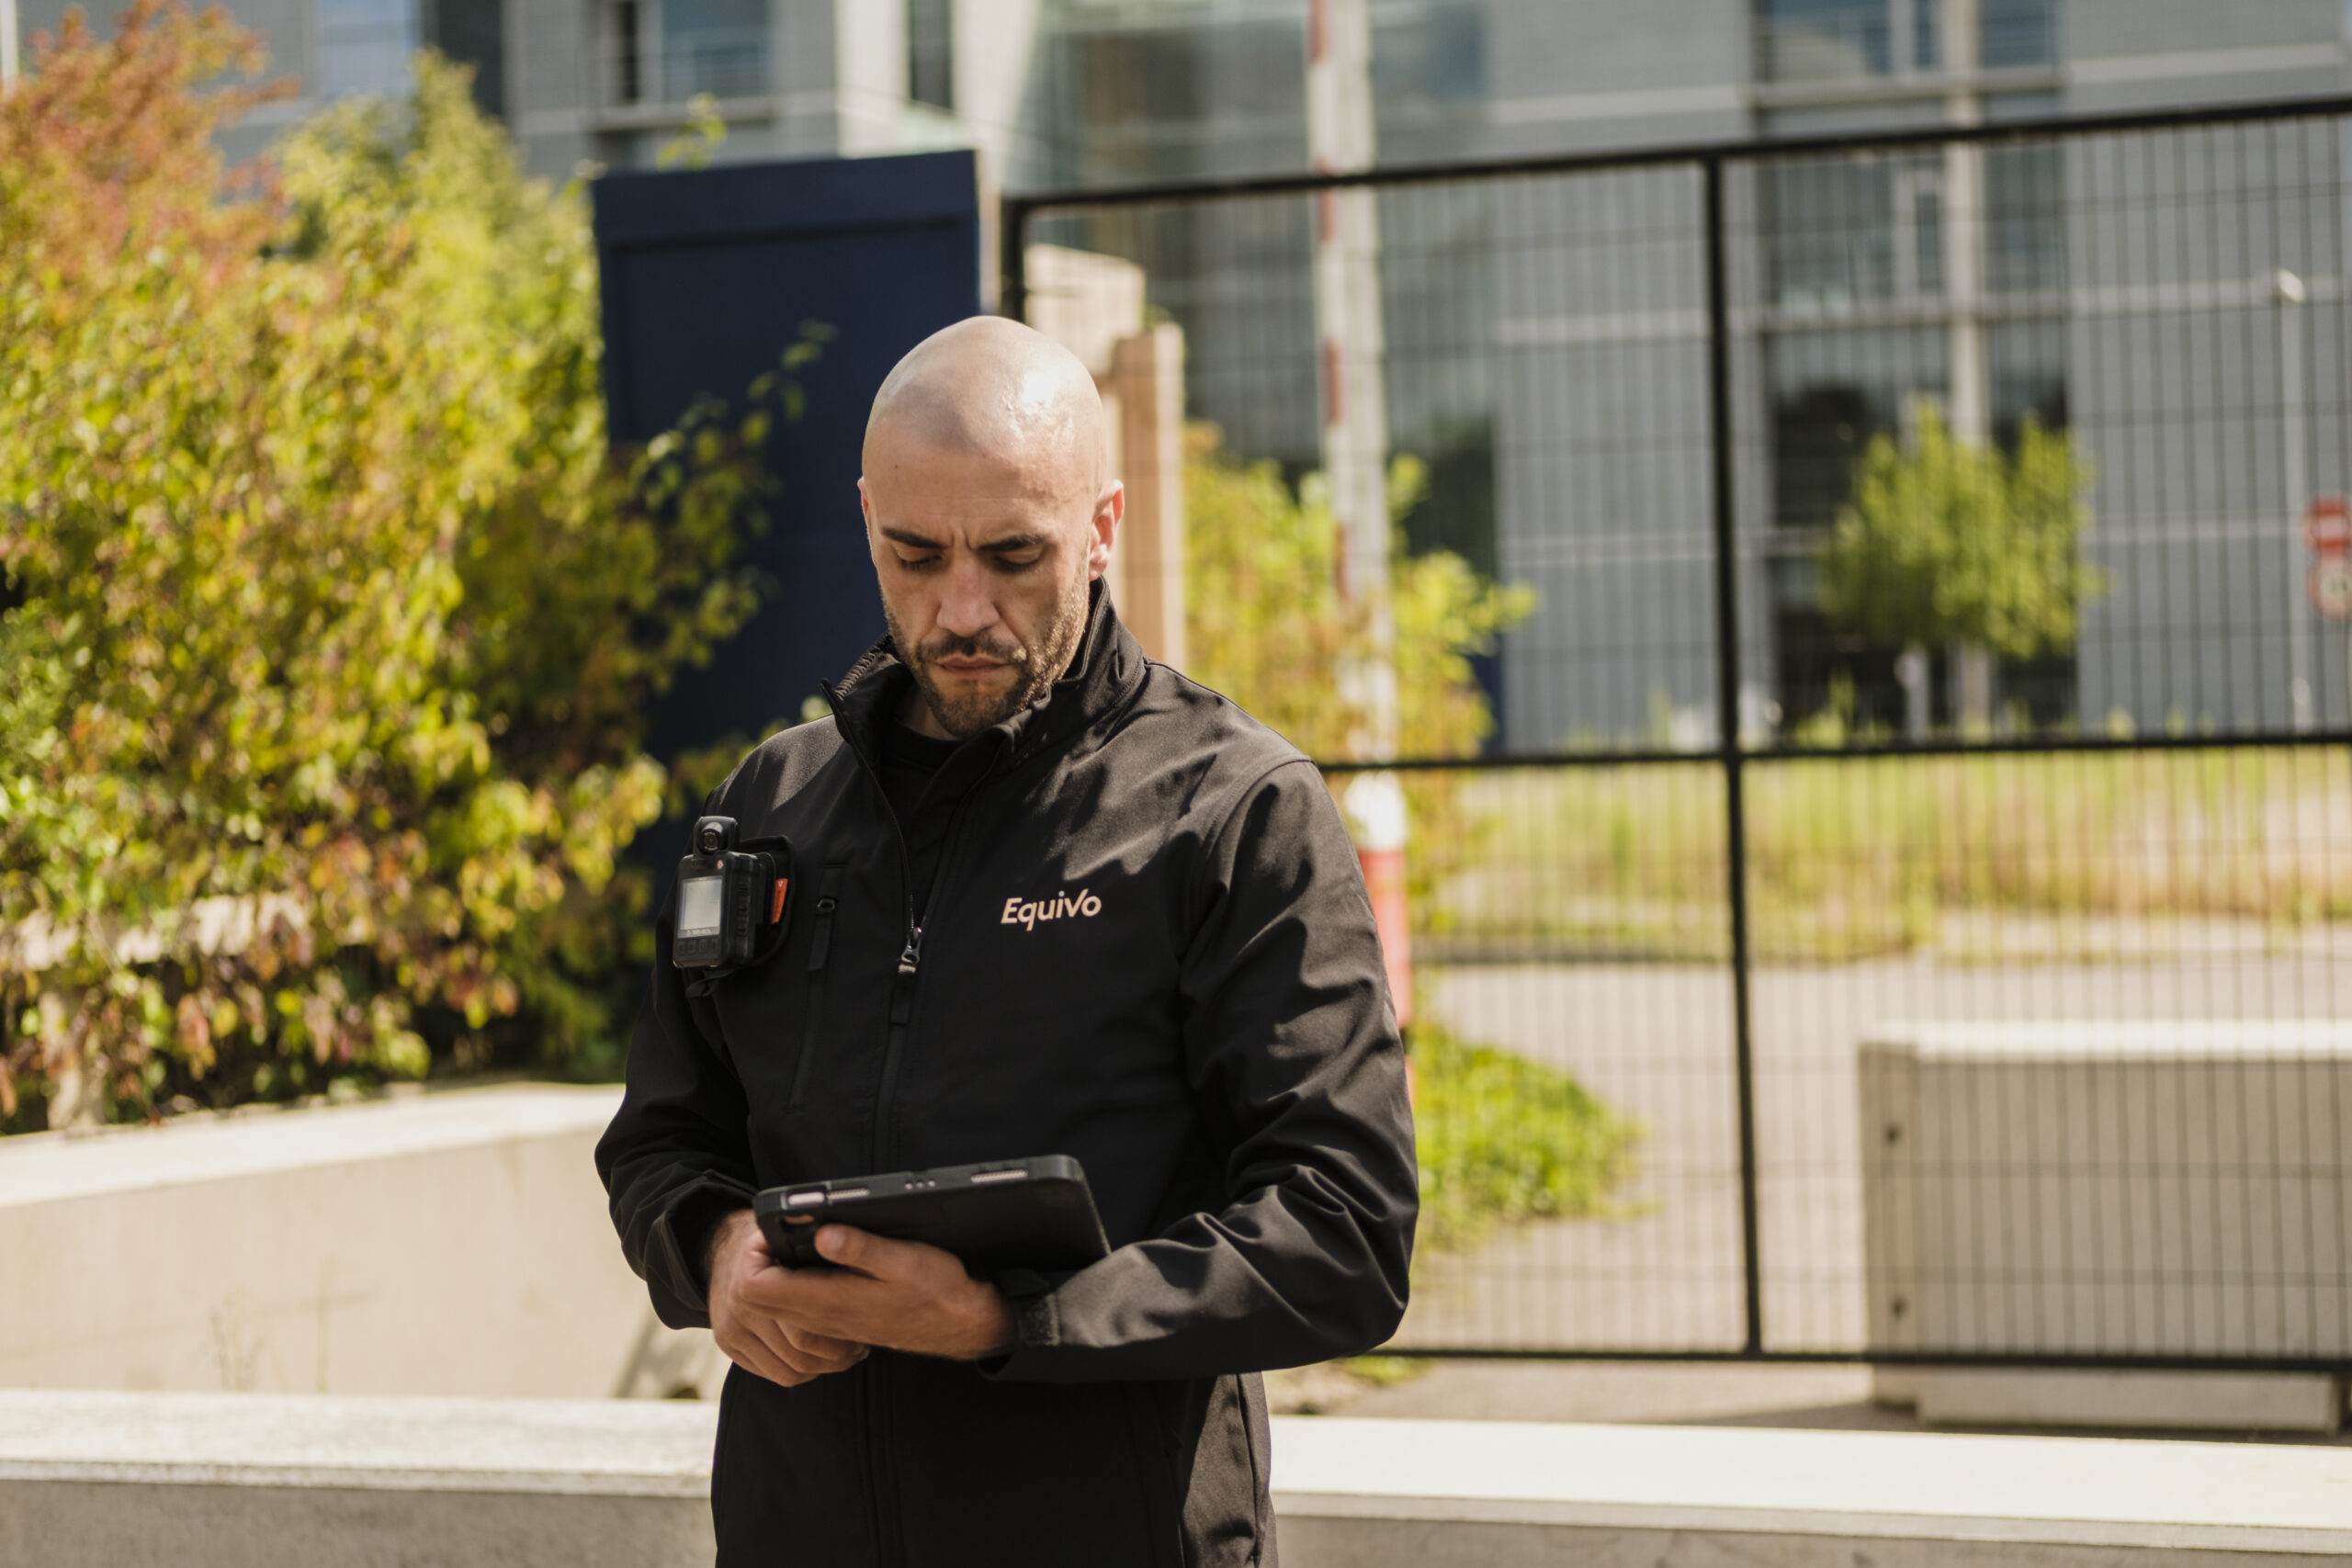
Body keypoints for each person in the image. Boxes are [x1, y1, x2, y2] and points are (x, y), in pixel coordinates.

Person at [595, 316, 1418, 1567]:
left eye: (1015, 554)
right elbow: (662, 1137)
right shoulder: (771, 809)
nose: (961, 608)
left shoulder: (1234, 812)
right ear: (866, 515)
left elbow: (1346, 1229)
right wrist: (709, 1253)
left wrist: (1010, 1324)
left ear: (1103, 525)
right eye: (914, 554)